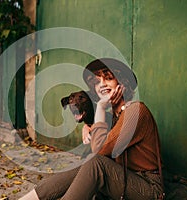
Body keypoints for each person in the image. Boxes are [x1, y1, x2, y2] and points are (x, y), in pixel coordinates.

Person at [20, 58, 164, 200]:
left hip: (149, 188)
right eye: (96, 82)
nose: (101, 85)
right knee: (86, 163)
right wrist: (88, 126)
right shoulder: (115, 116)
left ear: (122, 83)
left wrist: (101, 107)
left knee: (96, 162)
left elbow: (100, 149)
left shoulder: (136, 111)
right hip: (124, 178)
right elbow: (99, 128)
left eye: (108, 78)